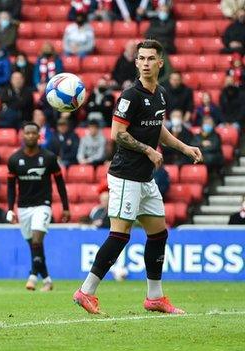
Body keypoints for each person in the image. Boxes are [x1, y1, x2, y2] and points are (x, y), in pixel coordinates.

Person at [74, 39, 203, 315]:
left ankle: (154, 297)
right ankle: (85, 291)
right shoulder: (130, 96)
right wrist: (148, 151)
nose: (145, 63)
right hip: (126, 177)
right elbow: (116, 134)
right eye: (141, 58)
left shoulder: (161, 94)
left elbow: (158, 129)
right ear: (136, 63)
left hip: (145, 180)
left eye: (150, 58)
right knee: (120, 235)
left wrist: (183, 147)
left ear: (160, 62)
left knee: (158, 234)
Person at [7, 122, 70, 292]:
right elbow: (11, 187)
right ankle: (47, 280)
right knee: (34, 246)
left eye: (33, 133)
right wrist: (10, 209)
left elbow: (60, 183)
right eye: (27, 133)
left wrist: (65, 207)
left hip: (43, 205)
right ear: (23, 135)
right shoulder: (14, 159)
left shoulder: (49, 157)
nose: (30, 136)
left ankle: (33, 276)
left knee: (36, 240)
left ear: (38, 136)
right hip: (23, 207)